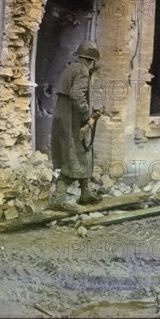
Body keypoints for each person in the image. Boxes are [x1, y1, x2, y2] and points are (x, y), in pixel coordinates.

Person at [50, 40, 103, 208]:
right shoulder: (82, 71)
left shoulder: (71, 67)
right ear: (92, 60)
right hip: (72, 121)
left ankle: (85, 193)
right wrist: (88, 115)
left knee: (84, 154)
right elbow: (77, 96)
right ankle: (58, 200)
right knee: (73, 159)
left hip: (67, 119)